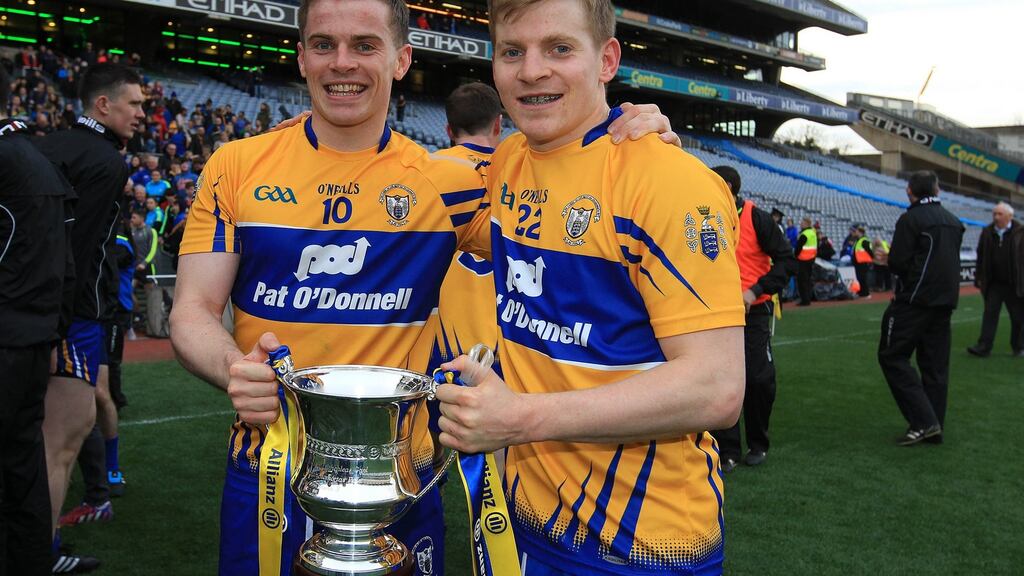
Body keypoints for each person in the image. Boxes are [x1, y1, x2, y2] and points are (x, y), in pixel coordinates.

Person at [170, 2, 677, 574]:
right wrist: (234, 369)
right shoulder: (235, 167)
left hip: (399, 477)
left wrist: (627, 137)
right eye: (323, 45)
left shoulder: (451, 183)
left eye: (365, 46)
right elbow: (191, 310)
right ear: (301, 57)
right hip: (269, 465)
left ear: (401, 59)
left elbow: (576, 222)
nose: (343, 64)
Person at [435, 1, 744, 574]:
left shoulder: (672, 183)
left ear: (606, 60)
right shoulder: (508, 163)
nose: (531, 70)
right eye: (512, 51)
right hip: (522, 521)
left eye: (559, 48)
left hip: (642, 544)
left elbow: (717, 388)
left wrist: (520, 418)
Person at [35, 62, 144, 574]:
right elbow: (81, 250)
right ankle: (43, 552)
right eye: (136, 104)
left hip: (23, 309)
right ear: (104, 106)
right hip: (70, 316)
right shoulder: (106, 162)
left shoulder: (45, 146)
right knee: (65, 435)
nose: (143, 113)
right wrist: (63, 324)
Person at [0, 66, 75, 576]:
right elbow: (66, 267)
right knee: (20, 463)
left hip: (8, 335)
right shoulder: (36, 158)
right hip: (31, 336)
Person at [709, 166, 796, 473]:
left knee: (758, 380)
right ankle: (728, 450)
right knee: (721, 381)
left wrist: (755, 291)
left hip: (753, 311)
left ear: (728, 187)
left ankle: (758, 443)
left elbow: (787, 261)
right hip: (716, 315)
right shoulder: (705, 215)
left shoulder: (757, 219)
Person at [878, 171, 964, 446]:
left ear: (909, 191)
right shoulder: (953, 221)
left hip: (914, 301)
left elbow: (900, 263)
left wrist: (886, 258)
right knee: (935, 366)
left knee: (892, 356)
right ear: (937, 190)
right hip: (945, 303)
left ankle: (924, 421)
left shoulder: (911, 219)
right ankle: (933, 425)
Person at [967, 202, 1023, 358]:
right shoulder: (987, 232)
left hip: (1014, 284)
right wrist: (979, 276)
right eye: (995, 214)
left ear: (1009, 216)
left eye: (1000, 214)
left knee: (1018, 317)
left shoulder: (1020, 232)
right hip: (994, 283)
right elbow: (981, 254)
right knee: (989, 315)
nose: (996, 217)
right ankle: (984, 346)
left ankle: (1019, 346)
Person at [794, 216, 817, 305]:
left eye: (802, 223)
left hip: (803, 260)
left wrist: (795, 256)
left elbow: (798, 248)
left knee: (802, 281)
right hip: (811, 259)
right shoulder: (812, 233)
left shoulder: (804, 234)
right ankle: (808, 298)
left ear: (807, 224)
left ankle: (804, 300)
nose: (801, 224)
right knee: (807, 280)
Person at [852, 225, 872, 298]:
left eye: (856, 231)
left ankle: (866, 293)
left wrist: (871, 260)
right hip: (858, 262)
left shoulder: (864, 240)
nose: (855, 232)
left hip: (863, 262)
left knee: (862, 278)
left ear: (860, 232)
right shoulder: (858, 240)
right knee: (859, 278)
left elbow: (870, 251)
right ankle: (861, 292)